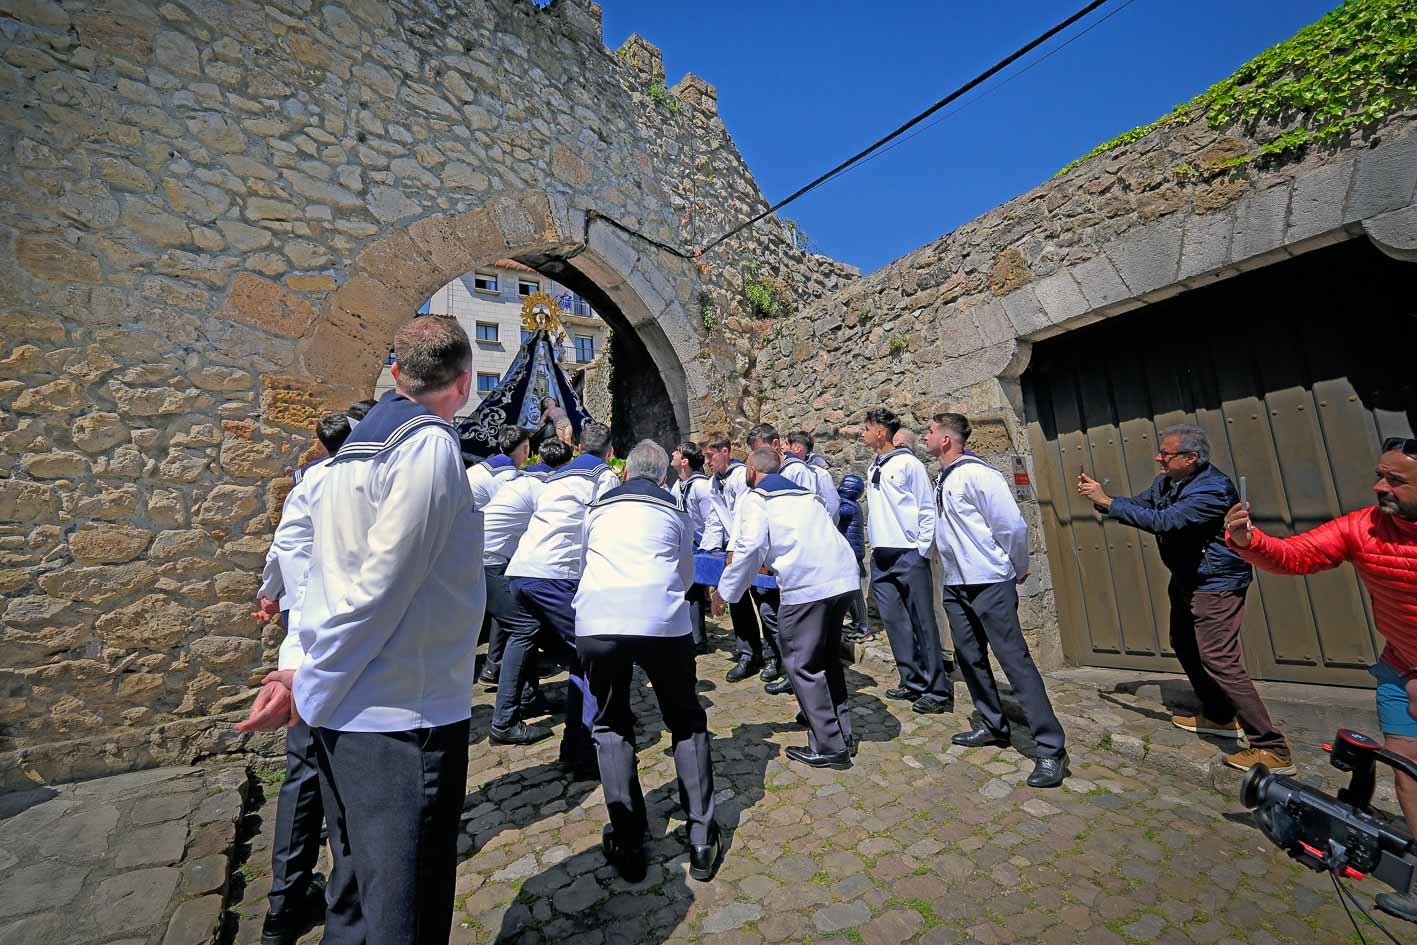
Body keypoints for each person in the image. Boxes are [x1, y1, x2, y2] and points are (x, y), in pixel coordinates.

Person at [246, 315, 484, 945]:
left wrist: (302, 667)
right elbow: (381, 586)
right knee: (403, 906)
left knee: (354, 892)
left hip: (352, 707)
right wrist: (311, 683)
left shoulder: (344, 458)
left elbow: (320, 575)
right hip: (402, 713)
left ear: (396, 373)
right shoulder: (426, 446)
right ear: (464, 383)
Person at [1224, 436, 1417, 921]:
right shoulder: (1365, 527)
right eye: (1380, 475)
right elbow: (1297, 556)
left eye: (1396, 480)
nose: (1380, 487)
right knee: (1408, 771)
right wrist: (1249, 542)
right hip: (1401, 666)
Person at [1078, 424, 1292, 774]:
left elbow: (1166, 521)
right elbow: (1140, 505)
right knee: (1182, 641)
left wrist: (1109, 503)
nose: (1158, 457)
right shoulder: (1168, 482)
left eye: (1167, 453)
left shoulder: (1213, 490)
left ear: (1191, 458)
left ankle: (1271, 747)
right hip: (1188, 577)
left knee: (1219, 658)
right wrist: (1104, 499)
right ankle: (1219, 716)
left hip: (1217, 581)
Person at [575, 440, 721, 883]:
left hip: (600, 621)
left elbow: (585, 563)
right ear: (662, 477)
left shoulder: (596, 511)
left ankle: (628, 835)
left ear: (625, 474)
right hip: (661, 620)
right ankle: (701, 836)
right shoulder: (674, 514)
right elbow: (684, 573)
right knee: (685, 719)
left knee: (610, 723)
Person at [245, 410, 354, 945]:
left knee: (303, 770)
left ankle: (284, 904)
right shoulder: (357, 486)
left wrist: (270, 594)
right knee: (342, 774)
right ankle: (343, 902)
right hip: (336, 643)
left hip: (303, 642)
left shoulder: (305, 485)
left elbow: (282, 550)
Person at [928, 413, 1068, 788]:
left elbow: (1011, 526)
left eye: (930, 431)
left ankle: (1051, 747)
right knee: (969, 658)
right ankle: (992, 723)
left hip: (989, 582)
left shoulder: (979, 474)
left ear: (945, 440)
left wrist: (1017, 566)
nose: (925, 435)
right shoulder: (944, 476)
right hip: (957, 585)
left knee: (1014, 662)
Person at [715, 448, 861, 770]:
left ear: (751, 471)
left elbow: (751, 547)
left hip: (808, 586)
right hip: (841, 579)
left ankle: (829, 745)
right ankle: (841, 732)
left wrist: (725, 592)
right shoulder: (806, 495)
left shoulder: (757, 499)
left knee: (802, 663)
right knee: (827, 659)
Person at [507, 420, 621, 777]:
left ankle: (571, 746)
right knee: (594, 654)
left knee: (576, 657)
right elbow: (602, 530)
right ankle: (584, 751)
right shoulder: (604, 477)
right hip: (555, 575)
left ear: (577, 448)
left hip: (521, 573)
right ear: (610, 450)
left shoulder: (554, 477)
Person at [860, 407, 954, 712]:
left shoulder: (908, 464)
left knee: (923, 621)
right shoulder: (873, 465)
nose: (862, 433)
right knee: (895, 622)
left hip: (908, 553)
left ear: (880, 432)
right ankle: (911, 680)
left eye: (866, 428)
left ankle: (938, 690)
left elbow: (927, 509)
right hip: (881, 555)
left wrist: (922, 550)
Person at [483, 439, 575, 745]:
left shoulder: (522, 481)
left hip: (487, 561)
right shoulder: (543, 489)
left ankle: (528, 697)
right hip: (490, 563)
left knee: (526, 625)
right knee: (525, 627)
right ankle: (504, 721)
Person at [470, 425, 535, 687]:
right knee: (517, 616)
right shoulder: (506, 479)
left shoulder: (480, 468)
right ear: (525, 450)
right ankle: (497, 667)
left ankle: (493, 665)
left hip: (468, 546)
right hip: (484, 552)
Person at [700, 433, 768, 683]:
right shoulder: (713, 483)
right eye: (705, 458)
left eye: (710, 456)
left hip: (752, 546)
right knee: (739, 603)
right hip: (733, 547)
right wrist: (707, 556)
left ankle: (774, 656)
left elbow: (743, 518)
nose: (707, 463)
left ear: (725, 451)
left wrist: (734, 553)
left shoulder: (742, 477)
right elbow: (715, 520)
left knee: (764, 602)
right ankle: (749, 655)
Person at [672, 440, 714, 654]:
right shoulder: (677, 485)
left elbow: (711, 520)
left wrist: (708, 549)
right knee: (689, 592)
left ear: (685, 461)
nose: (673, 453)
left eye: (676, 452)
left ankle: (698, 641)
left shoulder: (701, 486)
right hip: (685, 545)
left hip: (700, 545)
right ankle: (693, 636)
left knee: (695, 592)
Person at [835, 473, 871, 642]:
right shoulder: (852, 504)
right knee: (849, 590)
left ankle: (863, 627)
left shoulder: (848, 506)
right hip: (851, 553)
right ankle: (856, 621)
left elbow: (837, 513)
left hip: (852, 554)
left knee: (855, 592)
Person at [787, 430, 840, 519]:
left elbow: (833, 505)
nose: (782, 447)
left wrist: (823, 526)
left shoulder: (821, 474)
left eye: (786, 444)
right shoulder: (786, 469)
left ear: (797, 448)